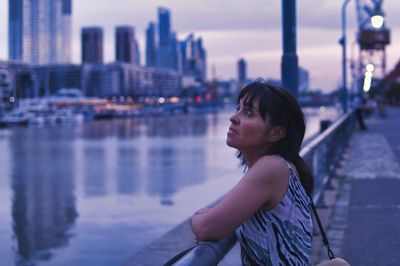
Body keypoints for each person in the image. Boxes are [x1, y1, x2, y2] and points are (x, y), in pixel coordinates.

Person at [190, 81, 314, 265]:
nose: (234, 117)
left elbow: (207, 229)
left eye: (248, 113)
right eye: (237, 108)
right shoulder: (285, 166)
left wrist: (198, 216)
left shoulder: (271, 168)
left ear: (276, 133)